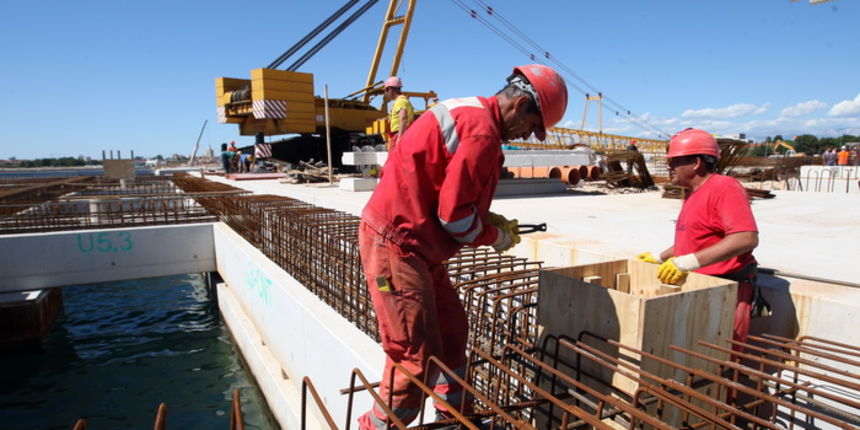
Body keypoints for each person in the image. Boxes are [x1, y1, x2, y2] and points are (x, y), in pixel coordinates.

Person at [357, 64, 568, 429]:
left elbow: (445, 188)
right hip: (398, 243)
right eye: (532, 127)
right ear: (521, 105)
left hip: (419, 244)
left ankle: (454, 419)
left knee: (452, 333)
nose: (528, 136)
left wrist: (486, 217)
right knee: (415, 359)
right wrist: (495, 236)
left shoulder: (472, 113)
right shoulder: (483, 133)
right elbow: (454, 218)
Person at [637, 128, 769, 353]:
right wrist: (659, 257)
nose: (669, 167)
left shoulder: (724, 187)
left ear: (696, 163)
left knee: (721, 358)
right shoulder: (691, 193)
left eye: (674, 162)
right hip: (702, 288)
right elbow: (694, 241)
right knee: (694, 356)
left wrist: (686, 263)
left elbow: (745, 238)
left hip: (727, 291)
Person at [383, 76, 415, 151]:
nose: (386, 94)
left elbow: (403, 118)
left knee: (394, 158)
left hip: (398, 134)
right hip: (402, 134)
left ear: (389, 89)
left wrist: (399, 138)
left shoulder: (400, 101)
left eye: (386, 91)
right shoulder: (402, 100)